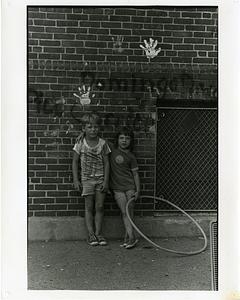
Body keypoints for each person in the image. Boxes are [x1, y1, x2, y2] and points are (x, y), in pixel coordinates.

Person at [72, 113, 111, 246]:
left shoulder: (103, 143)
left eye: (95, 127)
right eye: (90, 127)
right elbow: (75, 162)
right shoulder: (80, 143)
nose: (93, 129)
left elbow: (107, 163)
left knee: (99, 206)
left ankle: (99, 233)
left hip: (100, 179)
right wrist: (76, 180)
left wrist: (106, 181)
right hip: (87, 179)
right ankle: (91, 234)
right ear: (84, 129)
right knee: (89, 207)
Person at [109, 127, 140, 249]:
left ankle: (129, 237)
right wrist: (82, 134)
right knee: (124, 211)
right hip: (117, 188)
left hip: (130, 187)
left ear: (131, 141)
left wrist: (138, 190)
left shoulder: (131, 157)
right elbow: (96, 138)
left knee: (130, 211)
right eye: (121, 138)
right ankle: (131, 237)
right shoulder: (112, 150)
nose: (124, 141)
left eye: (127, 138)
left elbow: (135, 174)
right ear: (117, 140)